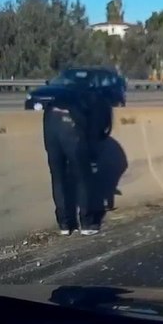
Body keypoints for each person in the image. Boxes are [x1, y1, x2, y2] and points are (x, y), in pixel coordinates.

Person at [42, 84, 101, 236]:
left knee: (58, 178)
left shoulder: (53, 102)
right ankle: (86, 223)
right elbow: (91, 130)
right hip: (71, 129)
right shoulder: (85, 98)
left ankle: (64, 224)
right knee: (83, 177)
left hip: (51, 127)